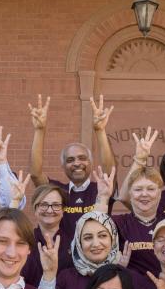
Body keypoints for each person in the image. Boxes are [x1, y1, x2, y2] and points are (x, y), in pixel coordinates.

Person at [27, 95, 118, 238]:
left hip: (94, 257)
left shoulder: (101, 189)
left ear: (90, 163)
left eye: (82, 158)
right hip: (61, 257)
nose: (76, 163)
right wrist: (39, 130)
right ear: (63, 166)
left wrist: (100, 131)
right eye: (70, 160)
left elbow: (110, 171)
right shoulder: (56, 191)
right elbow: (35, 174)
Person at [52, 210, 153, 289]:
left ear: (113, 238)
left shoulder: (132, 279)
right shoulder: (66, 278)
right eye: (88, 237)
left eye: (102, 235)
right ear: (79, 242)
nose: (96, 243)